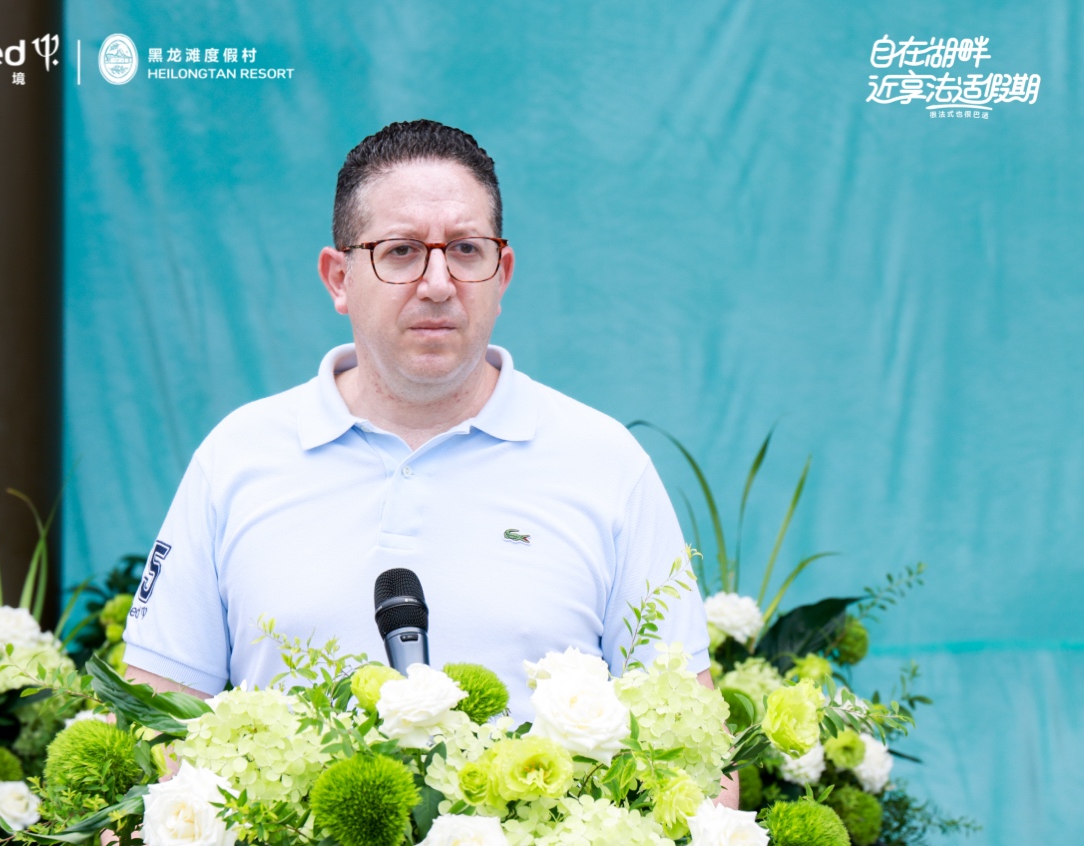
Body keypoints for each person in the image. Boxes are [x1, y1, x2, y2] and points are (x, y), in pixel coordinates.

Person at [122, 119, 736, 805]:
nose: (438, 283)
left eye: (466, 250)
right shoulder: (238, 456)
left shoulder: (603, 462)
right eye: (401, 251)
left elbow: (697, 756)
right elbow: (156, 725)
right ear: (339, 278)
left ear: (502, 274)